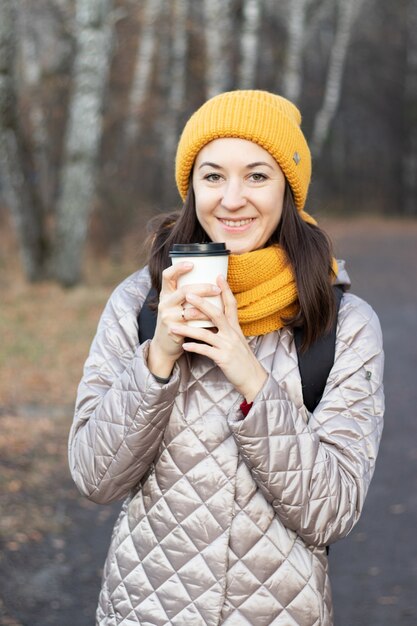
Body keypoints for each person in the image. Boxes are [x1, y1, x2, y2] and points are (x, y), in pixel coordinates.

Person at [68, 90, 384, 626]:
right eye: (213, 176)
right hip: (144, 610)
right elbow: (95, 477)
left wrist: (251, 377)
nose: (232, 199)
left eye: (257, 176)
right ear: (192, 188)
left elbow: (330, 510)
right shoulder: (140, 303)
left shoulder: (344, 325)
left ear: (288, 188)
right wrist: (159, 357)